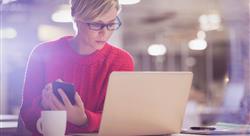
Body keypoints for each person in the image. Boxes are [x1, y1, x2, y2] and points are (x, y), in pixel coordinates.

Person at [20, 0, 134, 135]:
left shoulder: (121, 60)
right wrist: (44, 105)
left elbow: (120, 120)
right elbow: (27, 115)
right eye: (97, 24)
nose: (105, 33)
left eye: (111, 24)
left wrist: (83, 120)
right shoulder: (42, 53)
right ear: (76, 17)